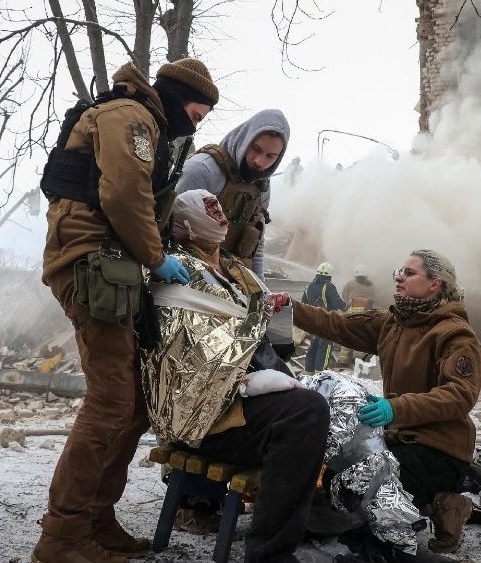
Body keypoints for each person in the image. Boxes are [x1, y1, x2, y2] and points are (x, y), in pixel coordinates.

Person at [34, 58, 219, 563]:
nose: (198, 123)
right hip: (90, 263)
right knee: (111, 400)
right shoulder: (130, 117)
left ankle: (95, 516)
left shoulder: (149, 122)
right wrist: (157, 259)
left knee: (134, 401)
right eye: (198, 112)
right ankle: (62, 537)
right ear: (181, 97)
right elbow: (122, 192)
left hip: (112, 266)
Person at [149, 190, 329, 563]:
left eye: (219, 206)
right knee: (306, 413)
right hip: (207, 418)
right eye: (208, 209)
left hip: (242, 398)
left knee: (336, 399)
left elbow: (270, 345)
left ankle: (334, 522)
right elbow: (197, 357)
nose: (221, 215)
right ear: (185, 224)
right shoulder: (180, 271)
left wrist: (274, 318)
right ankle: (269, 553)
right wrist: (258, 330)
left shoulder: (233, 270)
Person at [286, 249, 481, 555]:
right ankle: (433, 503)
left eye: (409, 273)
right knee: (338, 479)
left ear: (436, 284)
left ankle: (444, 503)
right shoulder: (394, 323)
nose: (399, 278)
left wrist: (396, 408)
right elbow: (338, 325)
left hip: (440, 450)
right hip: (398, 438)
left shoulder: (455, 334)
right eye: (399, 271)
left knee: (364, 496)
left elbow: (460, 395)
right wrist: (290, 308)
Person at [174, 109, 290, 280]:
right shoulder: (202, 169)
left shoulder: (262, 186)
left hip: (233, 283)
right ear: (245, 139)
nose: (259, 161)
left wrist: (261, 291)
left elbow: (256, 243)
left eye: (270, 156)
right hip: (188, 279)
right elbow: (167, 231)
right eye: (256, 149)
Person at [301, 262, 346, 372]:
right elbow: (337, 303)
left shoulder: (309, 286)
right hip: (325, 323)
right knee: (325, 348)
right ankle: (320, 374)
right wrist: (345, 306)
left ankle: (308, 374)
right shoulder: (328, 286)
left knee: (313, 347)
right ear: (329, 275)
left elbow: (303, 303)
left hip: (313, 323)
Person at [338, 267, 378, 364]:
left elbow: (344, 296)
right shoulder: (370, 285)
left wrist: (349, 302)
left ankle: (343, 359)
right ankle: (359, 360)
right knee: (361, 335)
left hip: (351, 312)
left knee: (347, 334)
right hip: (364, 313)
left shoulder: (350, 283)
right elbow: (373, 299)